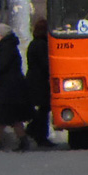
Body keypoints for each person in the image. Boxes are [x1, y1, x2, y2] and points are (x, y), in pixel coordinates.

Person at [0, 22, 31, 151]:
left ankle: (1, 142)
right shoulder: (9, 46)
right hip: (12, 87)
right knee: (10, 118)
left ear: (1, 35)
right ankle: (21, 140)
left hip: (8, 88)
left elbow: (0, 66)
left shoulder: (5, 48)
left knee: (4, 117)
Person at [25, 17, 55, 147]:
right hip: (40, 82)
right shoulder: (41, 45)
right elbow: (45, 64)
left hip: (34, 80)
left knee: (42, 110)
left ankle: (34, 132)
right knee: (43, 110)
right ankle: (39, 135)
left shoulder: (34, 43)